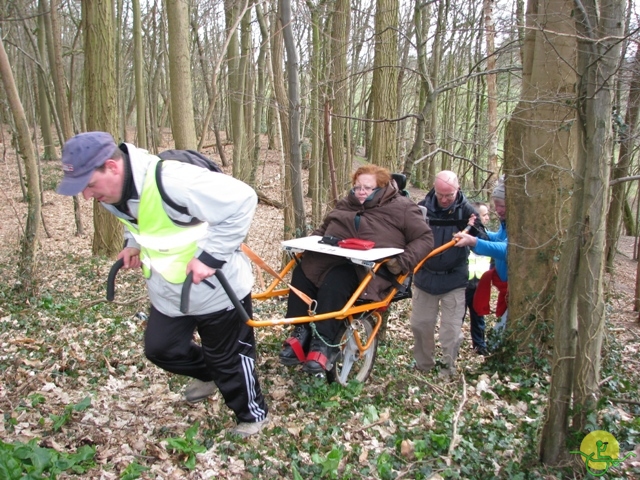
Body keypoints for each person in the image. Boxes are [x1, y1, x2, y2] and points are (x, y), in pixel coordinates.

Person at [56, 132, 269, 437]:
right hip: (169, 291)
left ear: (112, 167)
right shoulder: (114, 193)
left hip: (217, 291)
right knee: (162, 349)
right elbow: (144, 220)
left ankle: (254, 416)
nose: (87, 196)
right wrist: (133, 244)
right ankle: (213, 375)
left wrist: (211, 257)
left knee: (229, 358)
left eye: (89, 185)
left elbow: (243, 199)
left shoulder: (173, 180)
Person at [279, 165, 434, 374]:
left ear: (381, 188)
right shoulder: (345, 204)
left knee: (336, 281)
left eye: (367, 188)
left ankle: (323, 344)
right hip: (332, 259)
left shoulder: (403, 208)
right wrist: (307, 244)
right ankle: (302, 330)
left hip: (371, 270)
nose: (361, 192)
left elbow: (425, 238)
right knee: (302, 272)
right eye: (357, 187)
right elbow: (323, 230)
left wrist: (402, 261)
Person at [410, 170, 487, 376]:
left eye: (449, 196)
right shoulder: (422, 209)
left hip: (454, 279)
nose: (444, 200)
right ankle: (424, 365)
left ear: (458, 190)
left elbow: (483, 241)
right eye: (440, 194)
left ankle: (447, 369)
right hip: (425, 277)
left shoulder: (467, 212)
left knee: (451, 331)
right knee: (420, 325)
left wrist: (470, 237)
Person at [454, 177, 508, 345]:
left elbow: (508, 249)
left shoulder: (518, 224)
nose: (498, 210)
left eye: (502, 205)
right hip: (470, 284)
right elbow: (498, 238)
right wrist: (477, 232)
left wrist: (474, 241)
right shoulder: (505, 223)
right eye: (496, 205)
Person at [464, 202, 491, 355]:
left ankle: (480, 346)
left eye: (487, 214)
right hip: (465, 283)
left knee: (478, 316)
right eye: (484, 214)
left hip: (480, 283)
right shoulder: (466, 235)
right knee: (458, 316)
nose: (487, 218)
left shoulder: (486, 235)